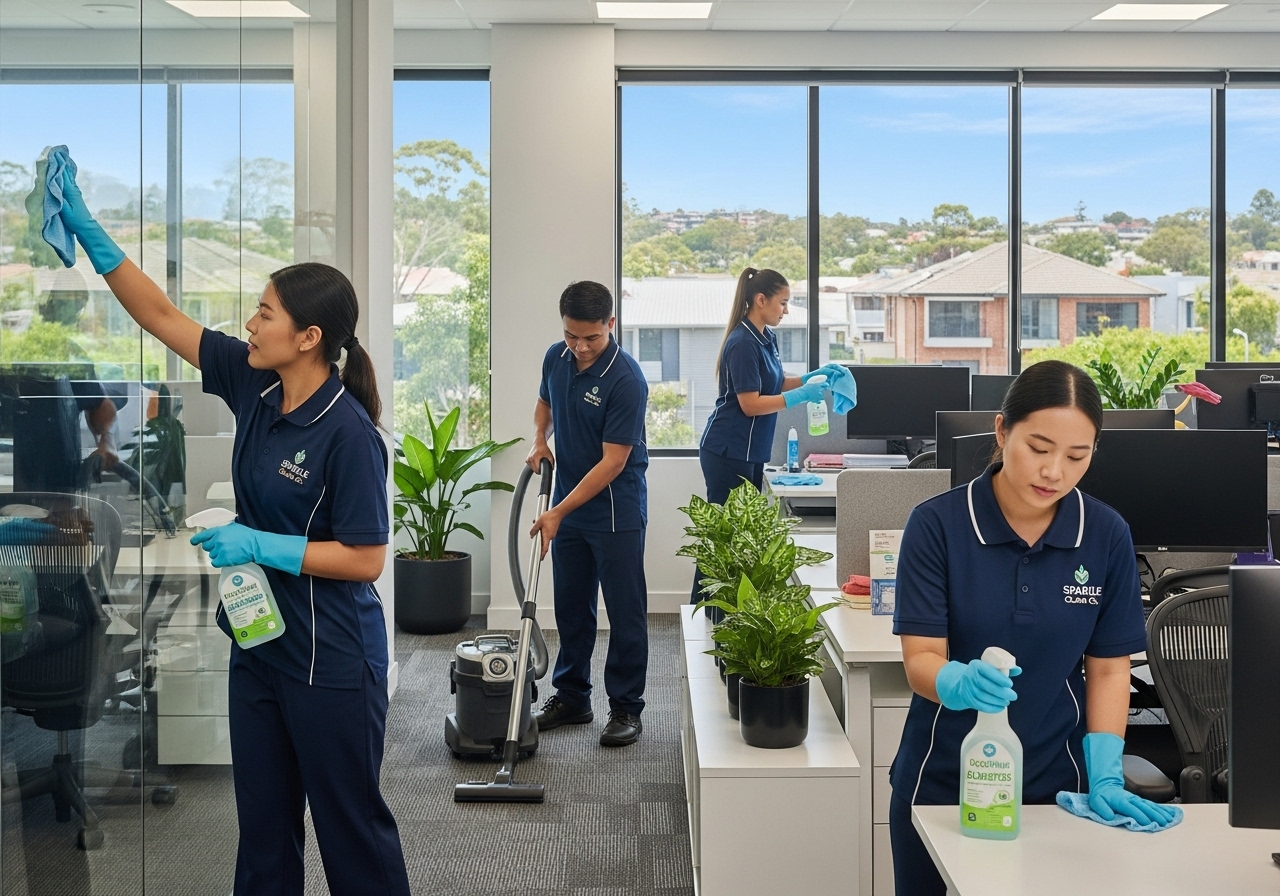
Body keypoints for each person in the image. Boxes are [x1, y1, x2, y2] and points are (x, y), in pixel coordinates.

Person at [49, 157, 411, 896]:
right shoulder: (255, 380)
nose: (250, 323)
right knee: (263, 836)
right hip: (258, 647)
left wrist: (260, 544)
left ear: (308, 336)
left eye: (266, 313)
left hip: (331, 659)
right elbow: (160, 315)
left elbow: (366, 559)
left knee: (350, 834)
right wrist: (88, 230)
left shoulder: (349, 434)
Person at [888, 360, 1177, 896]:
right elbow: (920, 658)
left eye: (1076, 456)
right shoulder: (938, 525)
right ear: (1002, 431)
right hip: (944, 784)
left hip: (1056, 788)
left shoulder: (1105, 534)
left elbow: (1110, 670)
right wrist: (957, 682)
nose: (1054, 473)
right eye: (1039, 449)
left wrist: (1106, 772)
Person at [526, 280, 649, 747]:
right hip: (569, 509)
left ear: (610, 324)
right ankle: (572, 696)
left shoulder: (626, 379)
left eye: (590, 337)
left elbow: (613, 461)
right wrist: (540, 440)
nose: (579, 347)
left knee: (625, 612)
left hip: (616, 511)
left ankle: (626, 707)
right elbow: (544, 402)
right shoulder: (555, 357)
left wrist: (557, 511)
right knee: (572, 608)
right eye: (571, 335)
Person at [693, 266, 838, 600]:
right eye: (782, 303)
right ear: (761, 300)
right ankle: (702, 612)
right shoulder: (743, 342)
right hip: (727, 451)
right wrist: (800, 397)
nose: (786, 310)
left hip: (750, 451)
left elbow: (776, 382)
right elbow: (750, 404)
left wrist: (813, 377)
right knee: (724, 541)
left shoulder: (765, 337)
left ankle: (722, 616)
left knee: (740, 540)